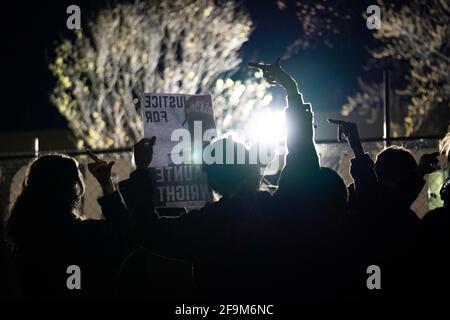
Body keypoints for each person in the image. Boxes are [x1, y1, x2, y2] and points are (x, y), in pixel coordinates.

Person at [114, 136, 275, 299]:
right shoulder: (273, 208)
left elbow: (151, 232)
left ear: (211, 179)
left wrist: (141, 169)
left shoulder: (210, 222)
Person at [329, 118, 439, 298]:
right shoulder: (403, 218)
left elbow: (379, 196)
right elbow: (387, 202)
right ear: (403, 176)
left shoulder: (355, 206)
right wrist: (418, 172)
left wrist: (357, 146)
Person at [5, 153, 129, 299]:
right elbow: (125, 235)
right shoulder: (87, 234)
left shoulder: (21, 239)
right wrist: (106, 183)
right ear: (73, 190)